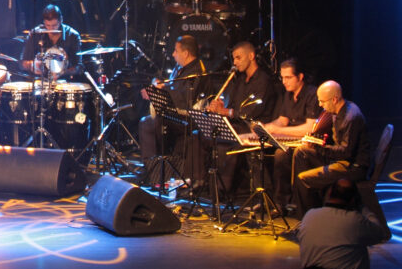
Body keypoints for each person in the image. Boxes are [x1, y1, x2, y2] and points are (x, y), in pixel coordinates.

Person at [207, 42, 280, 195]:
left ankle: (222, 191)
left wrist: (225, 111)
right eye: (234, 59)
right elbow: (232, 107)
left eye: (238, 58)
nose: (235, 63)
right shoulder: (240, 80)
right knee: (204, 132)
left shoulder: (263, 81)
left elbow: (251, 112)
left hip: (254, 126)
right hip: (238, 124)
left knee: (223, 138)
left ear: (251, 56)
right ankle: (203, 185)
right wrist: (220, 107)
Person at [293, 81, 372, 216]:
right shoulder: (337, 111)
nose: (320, 105)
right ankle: (312, 206)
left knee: (303, 179)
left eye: (322, 101)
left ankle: (307, 218)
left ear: (334, 99)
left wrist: (318, 148)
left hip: (352, 167)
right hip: (341, 160)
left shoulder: (351, 118)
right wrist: (315, 143)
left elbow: (346, 153)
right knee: (301, 152)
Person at [138, 35, 211, 178]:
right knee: (147, 121)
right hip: (175, 114)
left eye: (176, 51)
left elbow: (184, 100)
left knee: (148, 124)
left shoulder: (197, 73)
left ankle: (156, 171)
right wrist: (157, 86)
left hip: (189, 119)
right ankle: (154, 167)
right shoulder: (181, 68)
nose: (173, 54)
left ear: (186, 53)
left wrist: (159, 91)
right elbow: (171, 85)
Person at [292, 178, 390, 269]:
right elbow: (380, 234)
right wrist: (363, 208)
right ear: (353, 199)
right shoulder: (355, 220)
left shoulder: (310, 215)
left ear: (329, 193)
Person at [265, 58, 322, 208]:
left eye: (288, 77)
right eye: (282, 77)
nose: (284, 82)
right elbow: (282, 120)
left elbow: (310, 128)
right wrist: (265, 128)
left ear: (300, 77)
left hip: (308, 142)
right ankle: (274, 200)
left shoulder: (312, 94)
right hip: (290, 139)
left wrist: (278, 130)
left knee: (280, 154)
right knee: (262, 152)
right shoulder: (288, 95)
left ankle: (289, 202)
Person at [19, 4, 81, 80]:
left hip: (64, 82)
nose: (51, 28)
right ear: (44, 22)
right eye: (48, 25)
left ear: (61, 20)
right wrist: (32, 65)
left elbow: (79, 67)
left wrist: (61, 72)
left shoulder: (72, 35)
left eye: (54, 25)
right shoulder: (35, 34)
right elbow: (22, 64)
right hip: (40, 81)